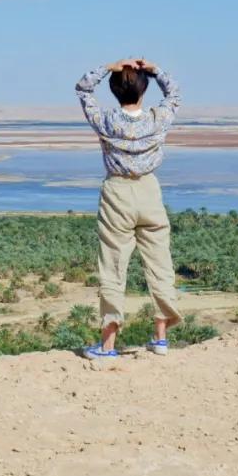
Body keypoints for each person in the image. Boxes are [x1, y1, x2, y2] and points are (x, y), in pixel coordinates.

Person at [74, 57, 183, 359]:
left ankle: (108, 345)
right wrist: (155, 70)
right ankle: (160, 338)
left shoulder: (106, 120)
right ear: (144, 90)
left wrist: (106, 68)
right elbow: (174, 93)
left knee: (112, 265)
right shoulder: (157, 118)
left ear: (114, 90)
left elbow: (83, 89)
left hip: (117, 193)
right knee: (160, 263)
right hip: (149, 191)